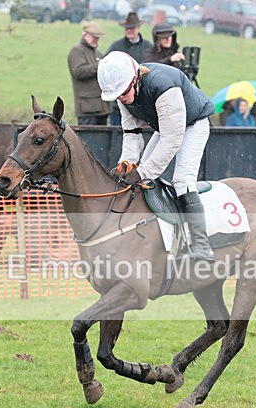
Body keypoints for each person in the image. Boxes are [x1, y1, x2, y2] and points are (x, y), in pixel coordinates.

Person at [97, 51, 216, 262]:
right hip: (166, 127)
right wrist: (127, 163)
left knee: (182, 180)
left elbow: (172, 139)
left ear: (135, 78)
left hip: (193, 124)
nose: (121, 98)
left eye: (124, 92)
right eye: (117, 95)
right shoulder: (123, 93)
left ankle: (202, 246)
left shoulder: (163, 87)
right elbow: (131, 133)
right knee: (138, 175)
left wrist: (143, 172)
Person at [105, 12, 152, 126]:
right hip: (119, 103)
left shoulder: (148, 46)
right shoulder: (116, 46)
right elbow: (106, 68)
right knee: (117, 137)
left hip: (142, 102)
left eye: (132, 27)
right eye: (127, 28)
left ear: (138, 28)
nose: (129, 30)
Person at [67, 21, 109, 125]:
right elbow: (78, 72)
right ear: (84, 34)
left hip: (102, 107)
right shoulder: (76, 51)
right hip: (87, 109)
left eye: (98, 37)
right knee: (88, 139)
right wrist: (100, 65)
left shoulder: (97, 53)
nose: (96, 39)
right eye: (94, 36)